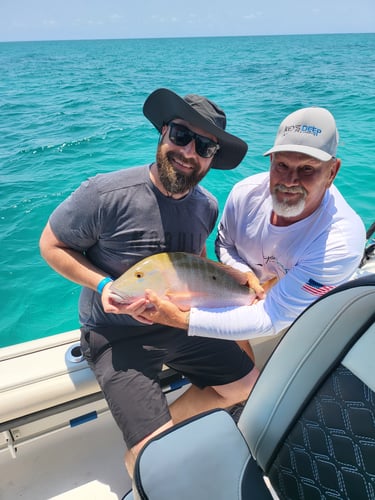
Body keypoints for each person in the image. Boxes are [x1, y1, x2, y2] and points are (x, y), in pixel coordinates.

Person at [39, 88, 258, 477]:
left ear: (212, 159)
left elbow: (196, 262)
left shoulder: (206, 205)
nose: (189, 152)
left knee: (248, 384)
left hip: (179, 322)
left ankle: (168, 427)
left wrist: (234, 286)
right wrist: (104, 287)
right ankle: (153, 447)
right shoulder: (105, 194)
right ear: (162, 132)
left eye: (204, 146)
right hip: (115, 333)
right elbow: (51, 245)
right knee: (150, 462)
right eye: (180, 135)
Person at [132, 106, 366, 352]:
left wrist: (180, 319)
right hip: (250, 293)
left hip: (308, 307)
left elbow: (273, 317)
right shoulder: (244, 194)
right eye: (282, 165)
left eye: (307, 169)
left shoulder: (340, 241)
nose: (289, 181)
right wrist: (244, 273)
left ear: (332, 172)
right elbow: (225, 244)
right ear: (271, 161)